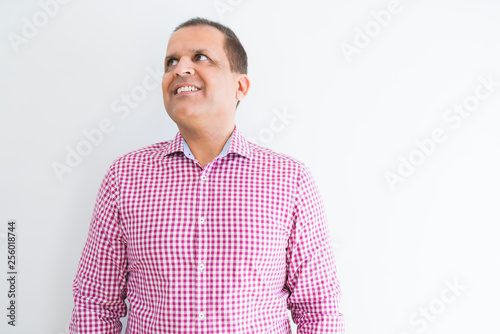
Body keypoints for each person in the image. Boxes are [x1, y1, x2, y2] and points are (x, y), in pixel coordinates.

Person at [69, 17, 345, 333]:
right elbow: (95, 303)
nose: (180, 69)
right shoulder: (126, 176)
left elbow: (319, 311)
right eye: (171, 61)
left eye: (200, 57)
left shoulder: (290, 180)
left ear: (240, 86)